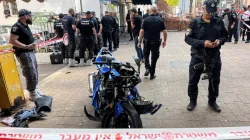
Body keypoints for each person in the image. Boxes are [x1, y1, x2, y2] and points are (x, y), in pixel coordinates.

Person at [185, 0, 228, 112]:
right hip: (198, 56)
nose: (210, 14)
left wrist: (219, 41)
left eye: (212, 12)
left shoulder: (219, 21)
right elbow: (187, 38)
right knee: (193, 79)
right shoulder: (194, 22)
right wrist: (203, 43)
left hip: (214, 56)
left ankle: (212, 101)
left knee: (215, 80)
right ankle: (192, 100)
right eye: (208, 11)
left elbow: (225, 36)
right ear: (203, 8)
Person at [9, 9, 43, 101]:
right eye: (30, 16)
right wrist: (27, 46)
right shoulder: (17, 27)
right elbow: (12, 41)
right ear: (25, 16)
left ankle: (35, 88)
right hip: (24, 53)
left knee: (34, 70)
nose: (31, 18)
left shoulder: (25, 25)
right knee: (30, 72)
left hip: (29, 52)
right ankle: (32, 93)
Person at [137, 6, 167, 80]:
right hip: (156, 42)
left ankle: (147, 68)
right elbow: (165, 32)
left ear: (150, 11)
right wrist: (164, 41)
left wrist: (139, 42)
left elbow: (141, 31)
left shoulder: (145, 20)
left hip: (147, 42)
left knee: (146, 55)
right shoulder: (160, 20)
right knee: (154, 58)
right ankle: (152, 74)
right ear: (156, 12)